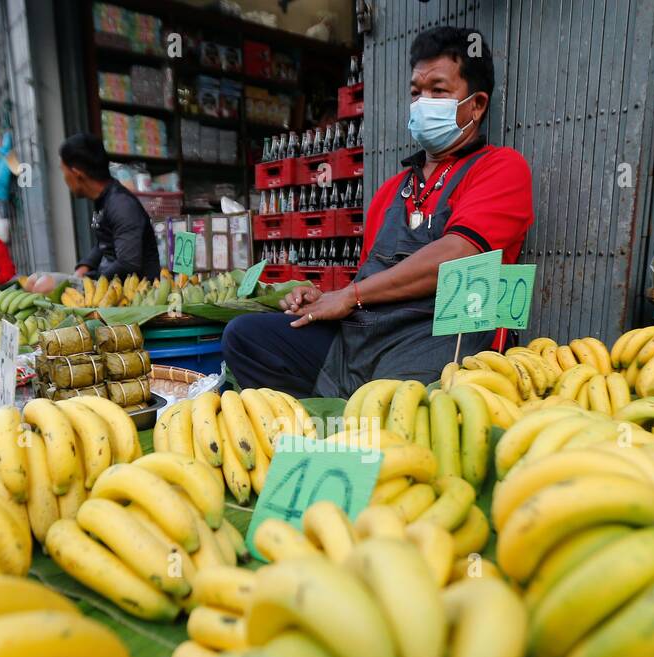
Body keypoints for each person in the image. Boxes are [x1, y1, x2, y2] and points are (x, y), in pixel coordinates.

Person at [222, 26, 534, 397]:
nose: (422, 103)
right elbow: (373, 280)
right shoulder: (391, 190)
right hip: (361, 340)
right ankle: (323, 416)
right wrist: (323, 297)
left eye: (438, 90)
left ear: (477, 104)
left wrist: (349, 295)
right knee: (245, 337)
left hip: (440, 342)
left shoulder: (501, 168)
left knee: (394, 398)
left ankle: (348, 421)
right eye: (416, 93)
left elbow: (457, 257)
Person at [59, 133, 160, 280]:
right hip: (110, 284)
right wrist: (83, 268)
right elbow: (103, 243)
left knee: (48, 284)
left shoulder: (122, 205)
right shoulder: (102, 200)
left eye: (63, 171)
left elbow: (128, 263)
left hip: (135, 293)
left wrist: (88, 281)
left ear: (77, 173)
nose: (64, 178)